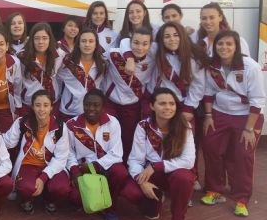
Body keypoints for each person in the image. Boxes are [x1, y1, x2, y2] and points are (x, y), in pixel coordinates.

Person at [201, 30, 265, 217]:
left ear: (236, 46)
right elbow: (208, 92)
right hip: (219, 112)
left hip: (246, 116)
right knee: (211, 147)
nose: (224, 47)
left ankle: (241, 198)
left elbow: (257, 100)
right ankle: (214, 190)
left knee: (243, 155)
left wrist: (249, 129)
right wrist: (208, 116)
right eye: (220, 44)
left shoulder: (250, 67)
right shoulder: (212, 65)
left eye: (229, 44)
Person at [123, 88, 195, 220]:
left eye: (171, 103)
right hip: (151, 176)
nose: (168, 107)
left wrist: (157, 166)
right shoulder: (143, 126)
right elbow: (135, 160)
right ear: (152, 106)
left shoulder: (185, 126)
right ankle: (155, 200)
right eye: (162, 103)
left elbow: (188, 160)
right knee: (130, 191)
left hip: (173, 173)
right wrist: (141, 182)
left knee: (184, 177)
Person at [3, 90, 70, 214]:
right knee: (26, 188)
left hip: (50, 165)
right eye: (38, 105)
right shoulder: (23, 122)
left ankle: (49, 199)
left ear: (51, 107)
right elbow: (8, 142)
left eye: (46, 105)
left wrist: (43, 178)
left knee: (62, 188)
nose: (42, 109)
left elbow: (61, 158)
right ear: (32, 107)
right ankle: (26, 200)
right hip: (27, 165)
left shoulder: (60, 127)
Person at [66, 89, 128, 220]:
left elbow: (117, 153)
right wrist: (74, 170)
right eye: (87, 104)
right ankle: (87, 202)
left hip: (105, 166)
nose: (91, 109)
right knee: (75, 198)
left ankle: (110, 208)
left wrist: (94, 166)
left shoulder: (113, 122)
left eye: (96, 105)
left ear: (103, 107)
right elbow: (69, 153)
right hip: (83, 169)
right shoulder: (72, 125)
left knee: (121, 172)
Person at [103, 27, 155, 161]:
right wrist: (129, 58)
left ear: (150, 45)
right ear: (130, 43)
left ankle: (125, 169)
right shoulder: (115, 54)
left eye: (145, 44)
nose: (140, 47)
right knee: (108, 137)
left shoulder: (153, 59)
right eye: (136, 43)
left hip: (132, 106)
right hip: (111, 103)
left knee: (128, 139)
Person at [152, 22, 206, 124]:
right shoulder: (157, 53)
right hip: (162, 104)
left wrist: (189, 107)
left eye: (176, 35)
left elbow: (198, 85)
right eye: (167, 36)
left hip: (184, 104)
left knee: (184, 138)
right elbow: (127, 42)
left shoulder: (193, 56)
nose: (172, 39)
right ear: (161, 40)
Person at [56, 29, 106, 122]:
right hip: (69, 112)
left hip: (92, 112)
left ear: (96, 45)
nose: (87, 44)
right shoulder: (67, 62)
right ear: (78, 44)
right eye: (83, 41)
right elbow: (55, 76)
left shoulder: (102, 63)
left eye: (91, 41)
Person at [19, 23, 64, 116]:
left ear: (50, 39)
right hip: (29, 103)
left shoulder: (60, 54)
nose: (40, 42)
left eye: (44, 38)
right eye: (37, 38)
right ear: (31, 39)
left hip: (51, 104)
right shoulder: (22, 56)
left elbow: (62, 75)